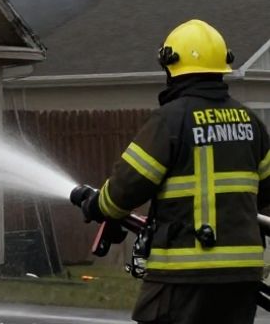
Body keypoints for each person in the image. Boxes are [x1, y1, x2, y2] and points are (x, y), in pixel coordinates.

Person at [75, 19, 270, 324]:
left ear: (171, 68)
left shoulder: (170, 120)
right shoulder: (250, 122)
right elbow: (266, 192)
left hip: (184, 273)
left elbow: (128, 186)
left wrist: (97, 205)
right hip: (242, 275)